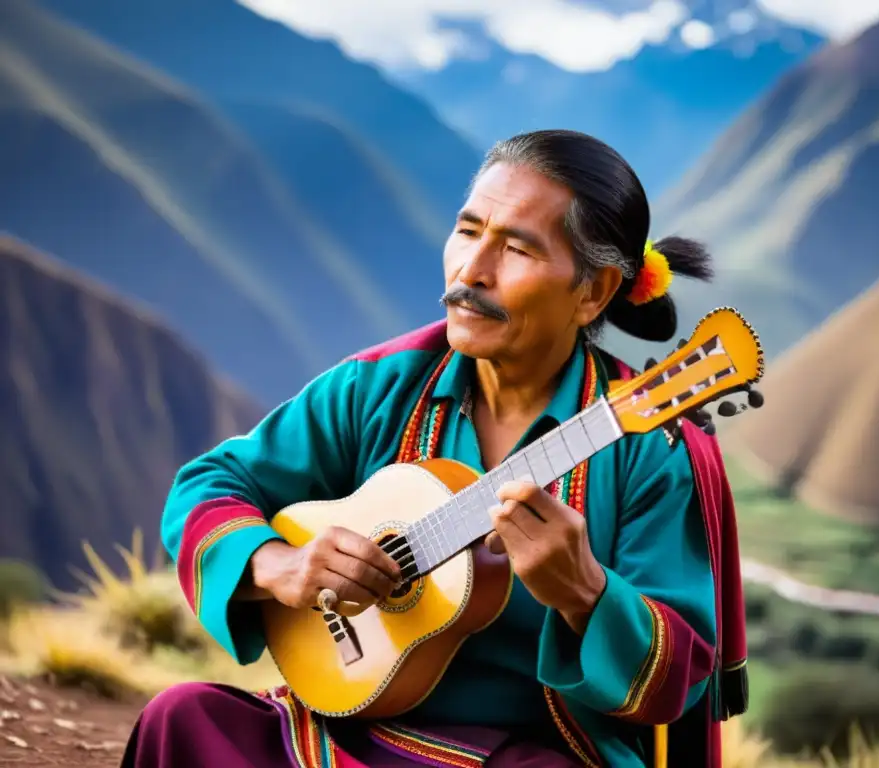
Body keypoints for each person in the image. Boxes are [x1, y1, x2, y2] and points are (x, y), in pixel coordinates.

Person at [120, 129, 749, 768]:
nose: (472, 271)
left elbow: (680, 676)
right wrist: (279, 565)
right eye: (469, 230)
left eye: (517, 249)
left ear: (593, 292)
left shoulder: (651, 449)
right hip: (348, 734)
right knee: (185, 718)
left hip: (535, 754)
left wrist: (587, 592)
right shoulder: (380, 386)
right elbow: (211, 483)